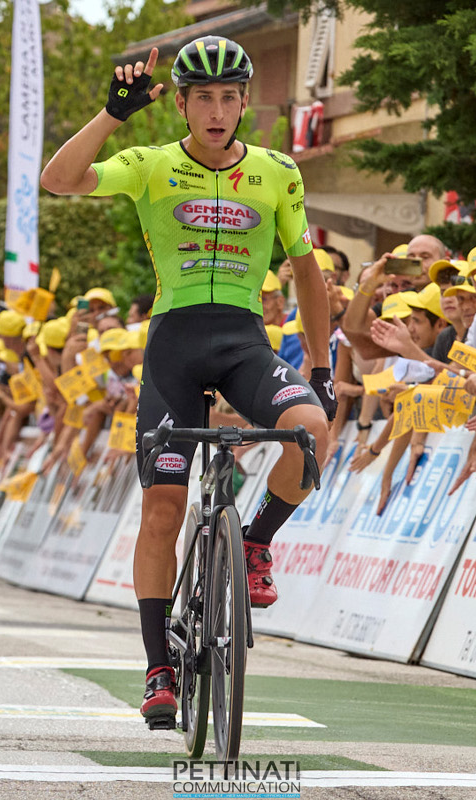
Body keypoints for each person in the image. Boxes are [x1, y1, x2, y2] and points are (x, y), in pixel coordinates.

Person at [40, 38, 336, 727]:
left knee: (311, 431)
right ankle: (157, 668)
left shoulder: (277, 172)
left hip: (241, 343)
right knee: (164, 510)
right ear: (180, 103)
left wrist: (320, 368)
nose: (216, 109)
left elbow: (309, 273)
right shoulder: (150, 165)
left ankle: (257, 540)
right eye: (202, 97)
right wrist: (111, 116)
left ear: (243, 104)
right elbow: (59, 179)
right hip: (174, 349)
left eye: (229, 97)